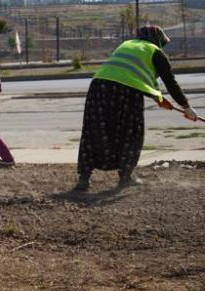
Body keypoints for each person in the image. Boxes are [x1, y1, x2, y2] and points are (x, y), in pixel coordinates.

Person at [75, 24, 199, 190]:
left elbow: (130, 73)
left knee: (94, 131)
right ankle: (126, 177)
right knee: (132, 132)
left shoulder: (126, 45)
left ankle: (84, 179)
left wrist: (158, 97)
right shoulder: (156, 52)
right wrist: (186, 107)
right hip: (126, 93)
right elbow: (170, 82)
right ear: (158, 40)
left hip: (98, 87)